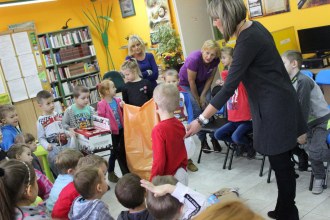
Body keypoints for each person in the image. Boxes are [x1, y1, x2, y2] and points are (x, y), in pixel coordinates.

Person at [185, 1, 307, 220]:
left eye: (216, 18)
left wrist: (201, 120)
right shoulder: (253, 28)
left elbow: (228, 87)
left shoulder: (246, 41)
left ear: (227, 16)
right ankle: (284, 207)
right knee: (280, 161)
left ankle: (290, 212)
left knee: (280, 163)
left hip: (275, 105)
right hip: (274, 101)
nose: (215, 23)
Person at [282, 50, 330, 194]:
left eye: (283, 63)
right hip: (308, 123)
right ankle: (319, 175)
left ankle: (319, 178)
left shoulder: (303, 80)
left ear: (294, 64)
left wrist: (300, 132)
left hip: (322, 120)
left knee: (315, 151)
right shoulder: (290, 80)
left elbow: (303, 107)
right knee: (311, 150)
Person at [178, 40, 221, 153]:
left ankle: (214, 138)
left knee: (208, 108)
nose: (209, 56)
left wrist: (203, 96)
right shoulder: (194, 59)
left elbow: (210, 79)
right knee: (197, 110)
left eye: (212, 54)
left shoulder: (215, 60)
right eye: (207, 53)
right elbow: (191, 81)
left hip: (203, 84)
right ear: (202, 50)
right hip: (187, 84)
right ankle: (203, 141)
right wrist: (198, 100)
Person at [213, 47, 255, 159]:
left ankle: (250, 144)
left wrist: (225, 79)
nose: (222, 60)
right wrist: (223, 82)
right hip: (233, 118)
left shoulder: (241, 75)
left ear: (233, 58)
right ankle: (241, 144)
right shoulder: (227, 78)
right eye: (221, 58)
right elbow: (227, 80)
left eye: (224, 57)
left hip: (245, 119)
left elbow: (230, 75)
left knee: (236, 137)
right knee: (218, 134)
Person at [141, 175, 239, 220]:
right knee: (216, 201)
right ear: (181, 208)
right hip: (218, 210)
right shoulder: (192, 216)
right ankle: (232, 191)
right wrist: (169, 188)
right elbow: (201, 204)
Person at [151, 84, 188, 185]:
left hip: (169, 179)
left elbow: (159, 161)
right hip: (182, 173)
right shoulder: (179, 124)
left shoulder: (158, 130)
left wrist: (152, 181)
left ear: (156, 105)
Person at [52, 154, 108, 219]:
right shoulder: (78, 191)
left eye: (105, 174)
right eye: (102, 174)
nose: (104, 178)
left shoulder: (81, 185)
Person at [163, 69, 198, 172]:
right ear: (164, 81)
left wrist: (191, 120)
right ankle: (178, 163)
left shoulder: (184, 94)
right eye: (168, 82)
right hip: (171, 124)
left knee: (187, 142)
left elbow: (189, 107)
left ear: (178, 80)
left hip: (184, 122)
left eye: (173, 81)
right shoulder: (164, 96)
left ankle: (189, 160)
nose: (171, 84)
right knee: (174, 144)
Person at [97, 79, 129, 182]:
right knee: (114, 153)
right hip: (111, 133)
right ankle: (110, 172)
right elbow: (101, 119)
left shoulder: (117, 100)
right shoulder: (102, 104)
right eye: (113, 87)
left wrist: (123, 106)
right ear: (106, 91)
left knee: (122, 150)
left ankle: (126, 171)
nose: (115, 88)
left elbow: (123, 111)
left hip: (121, 130)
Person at [36, 90, 72, 176]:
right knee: (60, 174)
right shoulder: (40, 121)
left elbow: (63, 128)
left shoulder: (58, 115)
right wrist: (46, 145)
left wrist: (69, 133)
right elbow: (41, 138)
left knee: (71, 170)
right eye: (48, 103)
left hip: (66, 147)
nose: (52, 105)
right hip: (54, 151)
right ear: (40, 106)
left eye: (52, 102)